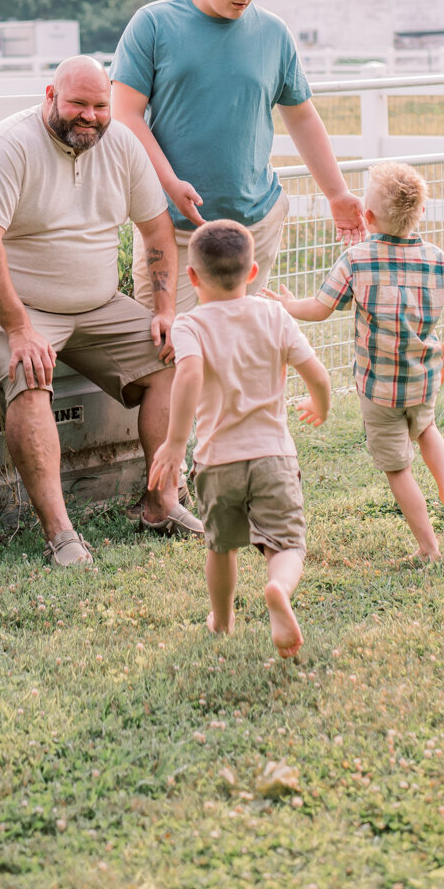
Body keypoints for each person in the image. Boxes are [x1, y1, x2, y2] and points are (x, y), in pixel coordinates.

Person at [0, 56, 204, 567]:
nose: (89, 115)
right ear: (51, 95)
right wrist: (19, 329)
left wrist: (163, 309)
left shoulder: (122, 145)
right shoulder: (10, 144)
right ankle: (61, 534)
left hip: (97, 303)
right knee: (30, 371)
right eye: (77, 103)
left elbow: (157, 230)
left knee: (175, 357)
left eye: (99, 106)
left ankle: (162, 501)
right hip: (11, 302)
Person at [111, 0, 365, 316]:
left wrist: (336, 193)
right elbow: (125, 115)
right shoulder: (153, 24)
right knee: (167, 355)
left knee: (239, 351)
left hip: (255, 225)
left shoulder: (274, 33)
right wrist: (171, 183)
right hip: (172, 225)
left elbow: (301, 116)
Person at [269, 160, 444, 565]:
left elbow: (321, 309)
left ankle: (430, 547)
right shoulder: (438, 260)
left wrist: (289, 305)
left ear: (367, 216)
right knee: (427, 428)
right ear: (421, 214)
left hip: (378, 388)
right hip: (423, 379)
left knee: (398, 469)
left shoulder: (357, 259)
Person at [149, 219, 331, 658]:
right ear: (252, 273)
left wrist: (175, 443)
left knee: (222, 546)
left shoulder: (190, 325)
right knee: (286, 544)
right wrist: (319, 404)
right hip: (273, 457)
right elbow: (317, 374)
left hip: (217, 461)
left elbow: (189, 373)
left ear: (192, 277)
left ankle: (223, 620)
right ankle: (278, 588)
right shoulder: (273, 315)